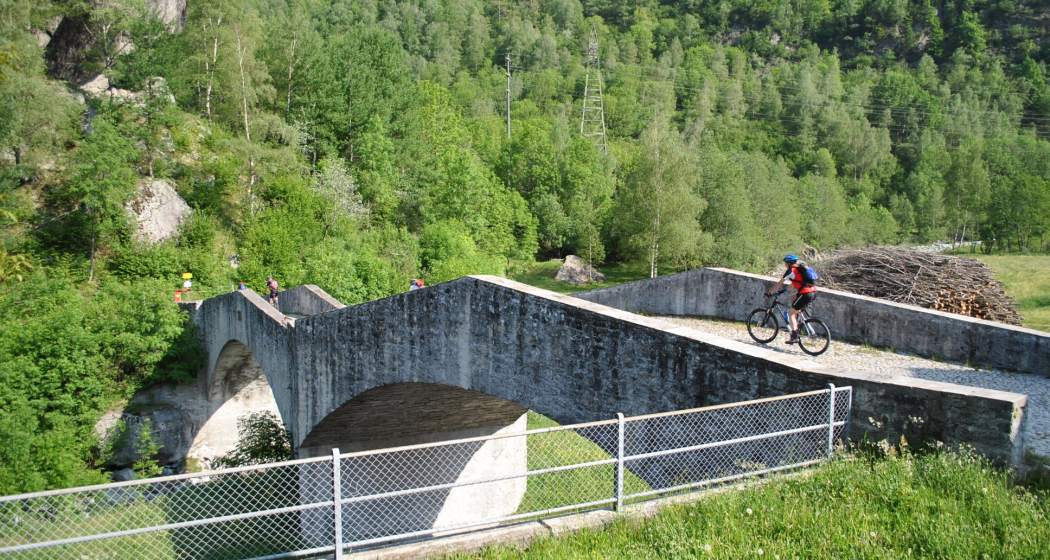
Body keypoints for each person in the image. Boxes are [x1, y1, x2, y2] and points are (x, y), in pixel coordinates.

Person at [765, 254, 818, 345]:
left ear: (789, 263)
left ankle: (794, 336)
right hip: (813, 292)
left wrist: (769, 293)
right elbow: (793, 284)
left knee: (791, 313)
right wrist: (783, 291)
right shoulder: (800, 270)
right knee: (793, 297)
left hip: (805, 294)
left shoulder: (790, 271)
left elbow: (779, 284)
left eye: (786, 263)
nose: (785, 265)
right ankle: (796, 319)